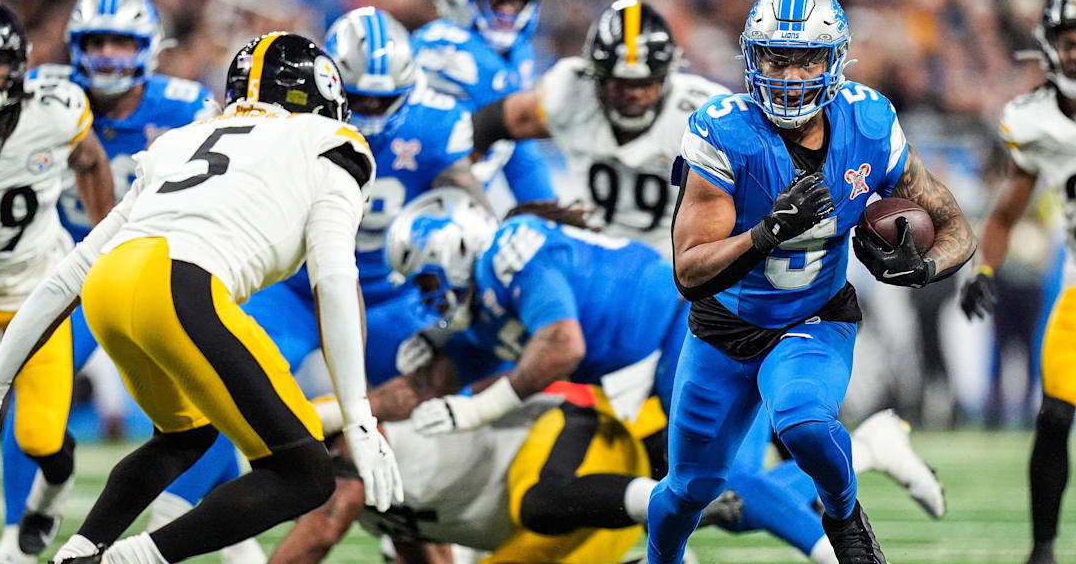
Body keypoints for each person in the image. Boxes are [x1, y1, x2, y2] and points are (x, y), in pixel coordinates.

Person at [0, 32, 402, 564]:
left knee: (186, 433)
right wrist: (359, 416)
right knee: (304, 473)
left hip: (110, 289)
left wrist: (0, 378)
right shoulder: (331, 142)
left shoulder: (184, 139)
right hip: (181, 288)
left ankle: (82, 549)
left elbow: (69, 275)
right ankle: (126, 561)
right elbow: (333, 277)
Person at [381, 188, 946, 564]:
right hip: (650, 362)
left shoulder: (512, 251)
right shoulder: (486, 309)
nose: (429, 300)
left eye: (428, 282)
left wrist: (476, 409)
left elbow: (561, 345)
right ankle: (869, 450)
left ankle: (834, 544)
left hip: (687, 331)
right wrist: (343, 417)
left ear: (453, 248)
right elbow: (433, 382)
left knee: (715, 490)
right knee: (709, 498)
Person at [647, 0, 975, 564]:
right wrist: (765, 233)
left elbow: (954, 225)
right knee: (688, 491)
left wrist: (921, 266)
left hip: (814, 315)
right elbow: (690, 272)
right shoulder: (724, 132)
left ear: (834, 62)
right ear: (753, 57)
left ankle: (846, 520)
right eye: (777, 57)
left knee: (801, 418)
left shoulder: (869, 122)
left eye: (807, 60)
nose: (790, 75)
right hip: (723, 327)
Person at [0, 0, 259, 564]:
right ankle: (18, 533)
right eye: (96, 42)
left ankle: (237, 542)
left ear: (149, 45)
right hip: (72, 271)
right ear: (74, 45)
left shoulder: (187, 107)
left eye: (121, 42)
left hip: (155, 269)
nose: (108, 56)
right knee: (38, 401)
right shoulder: (46, 97)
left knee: (203, 394)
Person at [240, 7, 487, 389]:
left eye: (382, 101)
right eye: (358, 98)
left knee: (439, 390)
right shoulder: (294, 112)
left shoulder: (436, 123)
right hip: (298, 285)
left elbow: (473, 215)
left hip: (393, 298)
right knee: (238, 378)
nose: (369, 113)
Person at [268, 396, 742, 564]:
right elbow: (418, 536)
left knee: (535, 500)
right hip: (572, 519)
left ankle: (672, 501)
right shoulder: (377, 502)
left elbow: (319, 534)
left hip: (576, 447)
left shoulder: (350, 447)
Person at [960, 0, 1076, 564]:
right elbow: (1005, 212)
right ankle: (1043, 550)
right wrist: (984, 267)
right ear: (1050, 45)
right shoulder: (1033, 122)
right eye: (1070, 39)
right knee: (1054, 414)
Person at [470, 0, 729, 255]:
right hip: (591, 254)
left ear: (665, 76)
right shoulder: (570, 92)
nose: (633, 94)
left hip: (675, 267)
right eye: (620, 84)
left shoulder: (704, 116)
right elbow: (488, 124)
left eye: (644, 84)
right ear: (596, 77)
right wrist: (465, 191)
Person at [0, 4, 113, 564]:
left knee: (39, 437)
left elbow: (90, 160)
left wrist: (107, 236)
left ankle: (53, 491)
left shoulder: (56, 109)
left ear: (21, 64)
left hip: (38, 297)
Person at [411, 0, 556, 204]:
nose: (508, 12)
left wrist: (549, 214)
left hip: (461, 194)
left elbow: (521, 154)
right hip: (417, 192)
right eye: (496, 1)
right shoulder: (441, 44)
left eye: (517, 2)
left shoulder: (518, 53)